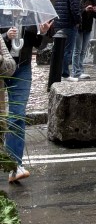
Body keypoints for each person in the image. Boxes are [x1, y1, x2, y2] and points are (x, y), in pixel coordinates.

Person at [2, 19, 54, 184]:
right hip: (1, 65)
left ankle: (14, 166)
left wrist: (43, 32)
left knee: (17, 114)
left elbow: (38, 45)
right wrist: (5, 36)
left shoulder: (30, 15)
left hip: (22, 68)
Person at [53, 0, 83, 79]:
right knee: (67, 50)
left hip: (59, 24)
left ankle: (57, 72)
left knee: (59, 49)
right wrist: (78, 21)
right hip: (69, 24)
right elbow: (75, 9)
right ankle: (65, 74)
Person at [71, 0, 96, 80]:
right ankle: (76, 72)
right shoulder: (81, 0)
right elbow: (77, 12)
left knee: (83, 51)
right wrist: (85, 9)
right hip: (79, 28)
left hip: (88, 28)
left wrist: (95, 11)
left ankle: (80, 70)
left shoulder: (95, 1)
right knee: (77, 50)